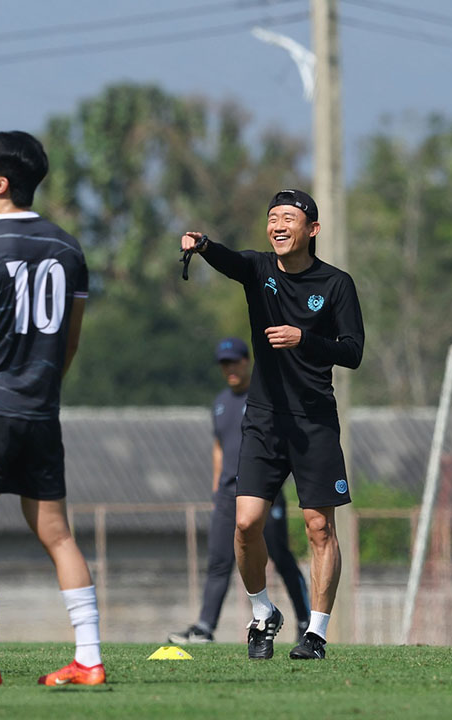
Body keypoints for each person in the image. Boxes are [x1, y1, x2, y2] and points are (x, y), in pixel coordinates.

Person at [0, 130, 103, 687]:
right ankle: (89, 658)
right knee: (58, 534)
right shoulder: (69, 249)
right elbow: (70, 341)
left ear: (1, 182)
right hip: (40, 410)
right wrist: (43, 389)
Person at [179, 188, 364, 661]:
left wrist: (305, 339)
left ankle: (316, 634)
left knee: (319, 527)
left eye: (289, 218)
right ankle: (263, 613)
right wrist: (204, 246)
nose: (278, 225)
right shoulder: (259, 270)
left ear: (312, 229)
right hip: (263, 418)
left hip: (315, 420)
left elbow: (352, 352)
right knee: (245, 524)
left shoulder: (336, 284)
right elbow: (231, 261)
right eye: (273, 218)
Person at [169, 337, 311, 645]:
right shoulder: (220, 403)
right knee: (219, 560)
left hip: (263, 491)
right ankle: (205, 627)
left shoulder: (265, 395)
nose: (230, 369)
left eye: (234, 361)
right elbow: (219, 447)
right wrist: (216, 487)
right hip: (227, 494)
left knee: (280, 556)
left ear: (247, 361)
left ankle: (305, 620)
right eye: (224, 364)